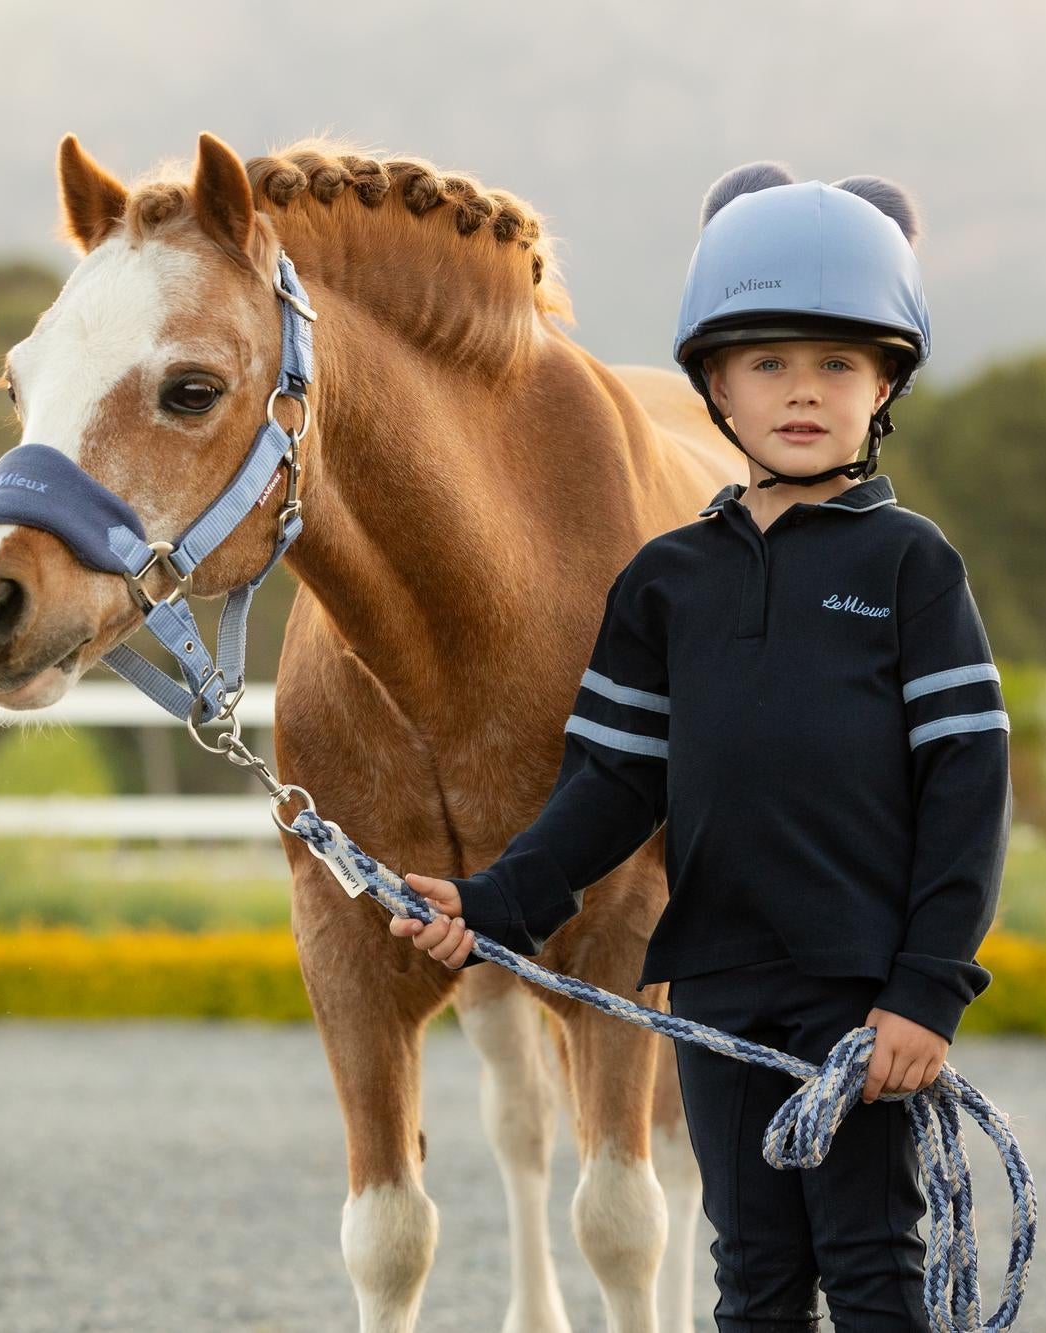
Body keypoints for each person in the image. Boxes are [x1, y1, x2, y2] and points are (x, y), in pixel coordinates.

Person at [394, 162, 1012, 1332]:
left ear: (884, 383)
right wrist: (494, 902)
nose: (800, 391)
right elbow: (612, 783)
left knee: (873, 1261)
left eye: (838, 362)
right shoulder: (665, 581)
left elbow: (967, 788)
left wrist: (925, 991)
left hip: (860, 992)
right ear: (714, 384)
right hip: (717, 984)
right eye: (766, 361)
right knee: (753, 1272)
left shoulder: (911, 569)